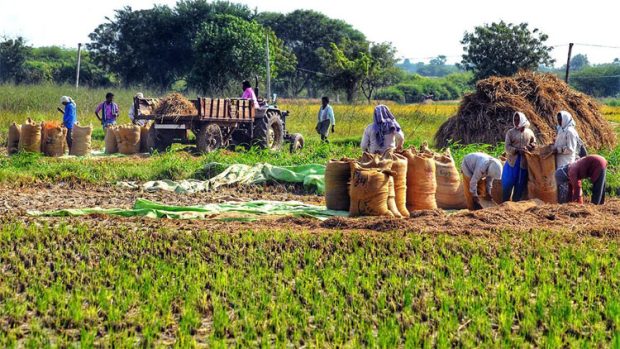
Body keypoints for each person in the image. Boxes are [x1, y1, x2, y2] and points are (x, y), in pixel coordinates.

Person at [502, 112, 537, 202]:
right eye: (515, 120)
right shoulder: (511, 133)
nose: (516, 122)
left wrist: (530, 146)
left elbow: (534, 143)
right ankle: (505, 203)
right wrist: (517, 150)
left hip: (523, 163)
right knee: (508, 184)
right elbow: (507, 147)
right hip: (512, 163)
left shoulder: (529, 132)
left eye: (518, 120)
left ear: (522, 120)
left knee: (520, 185)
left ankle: (515, 205)